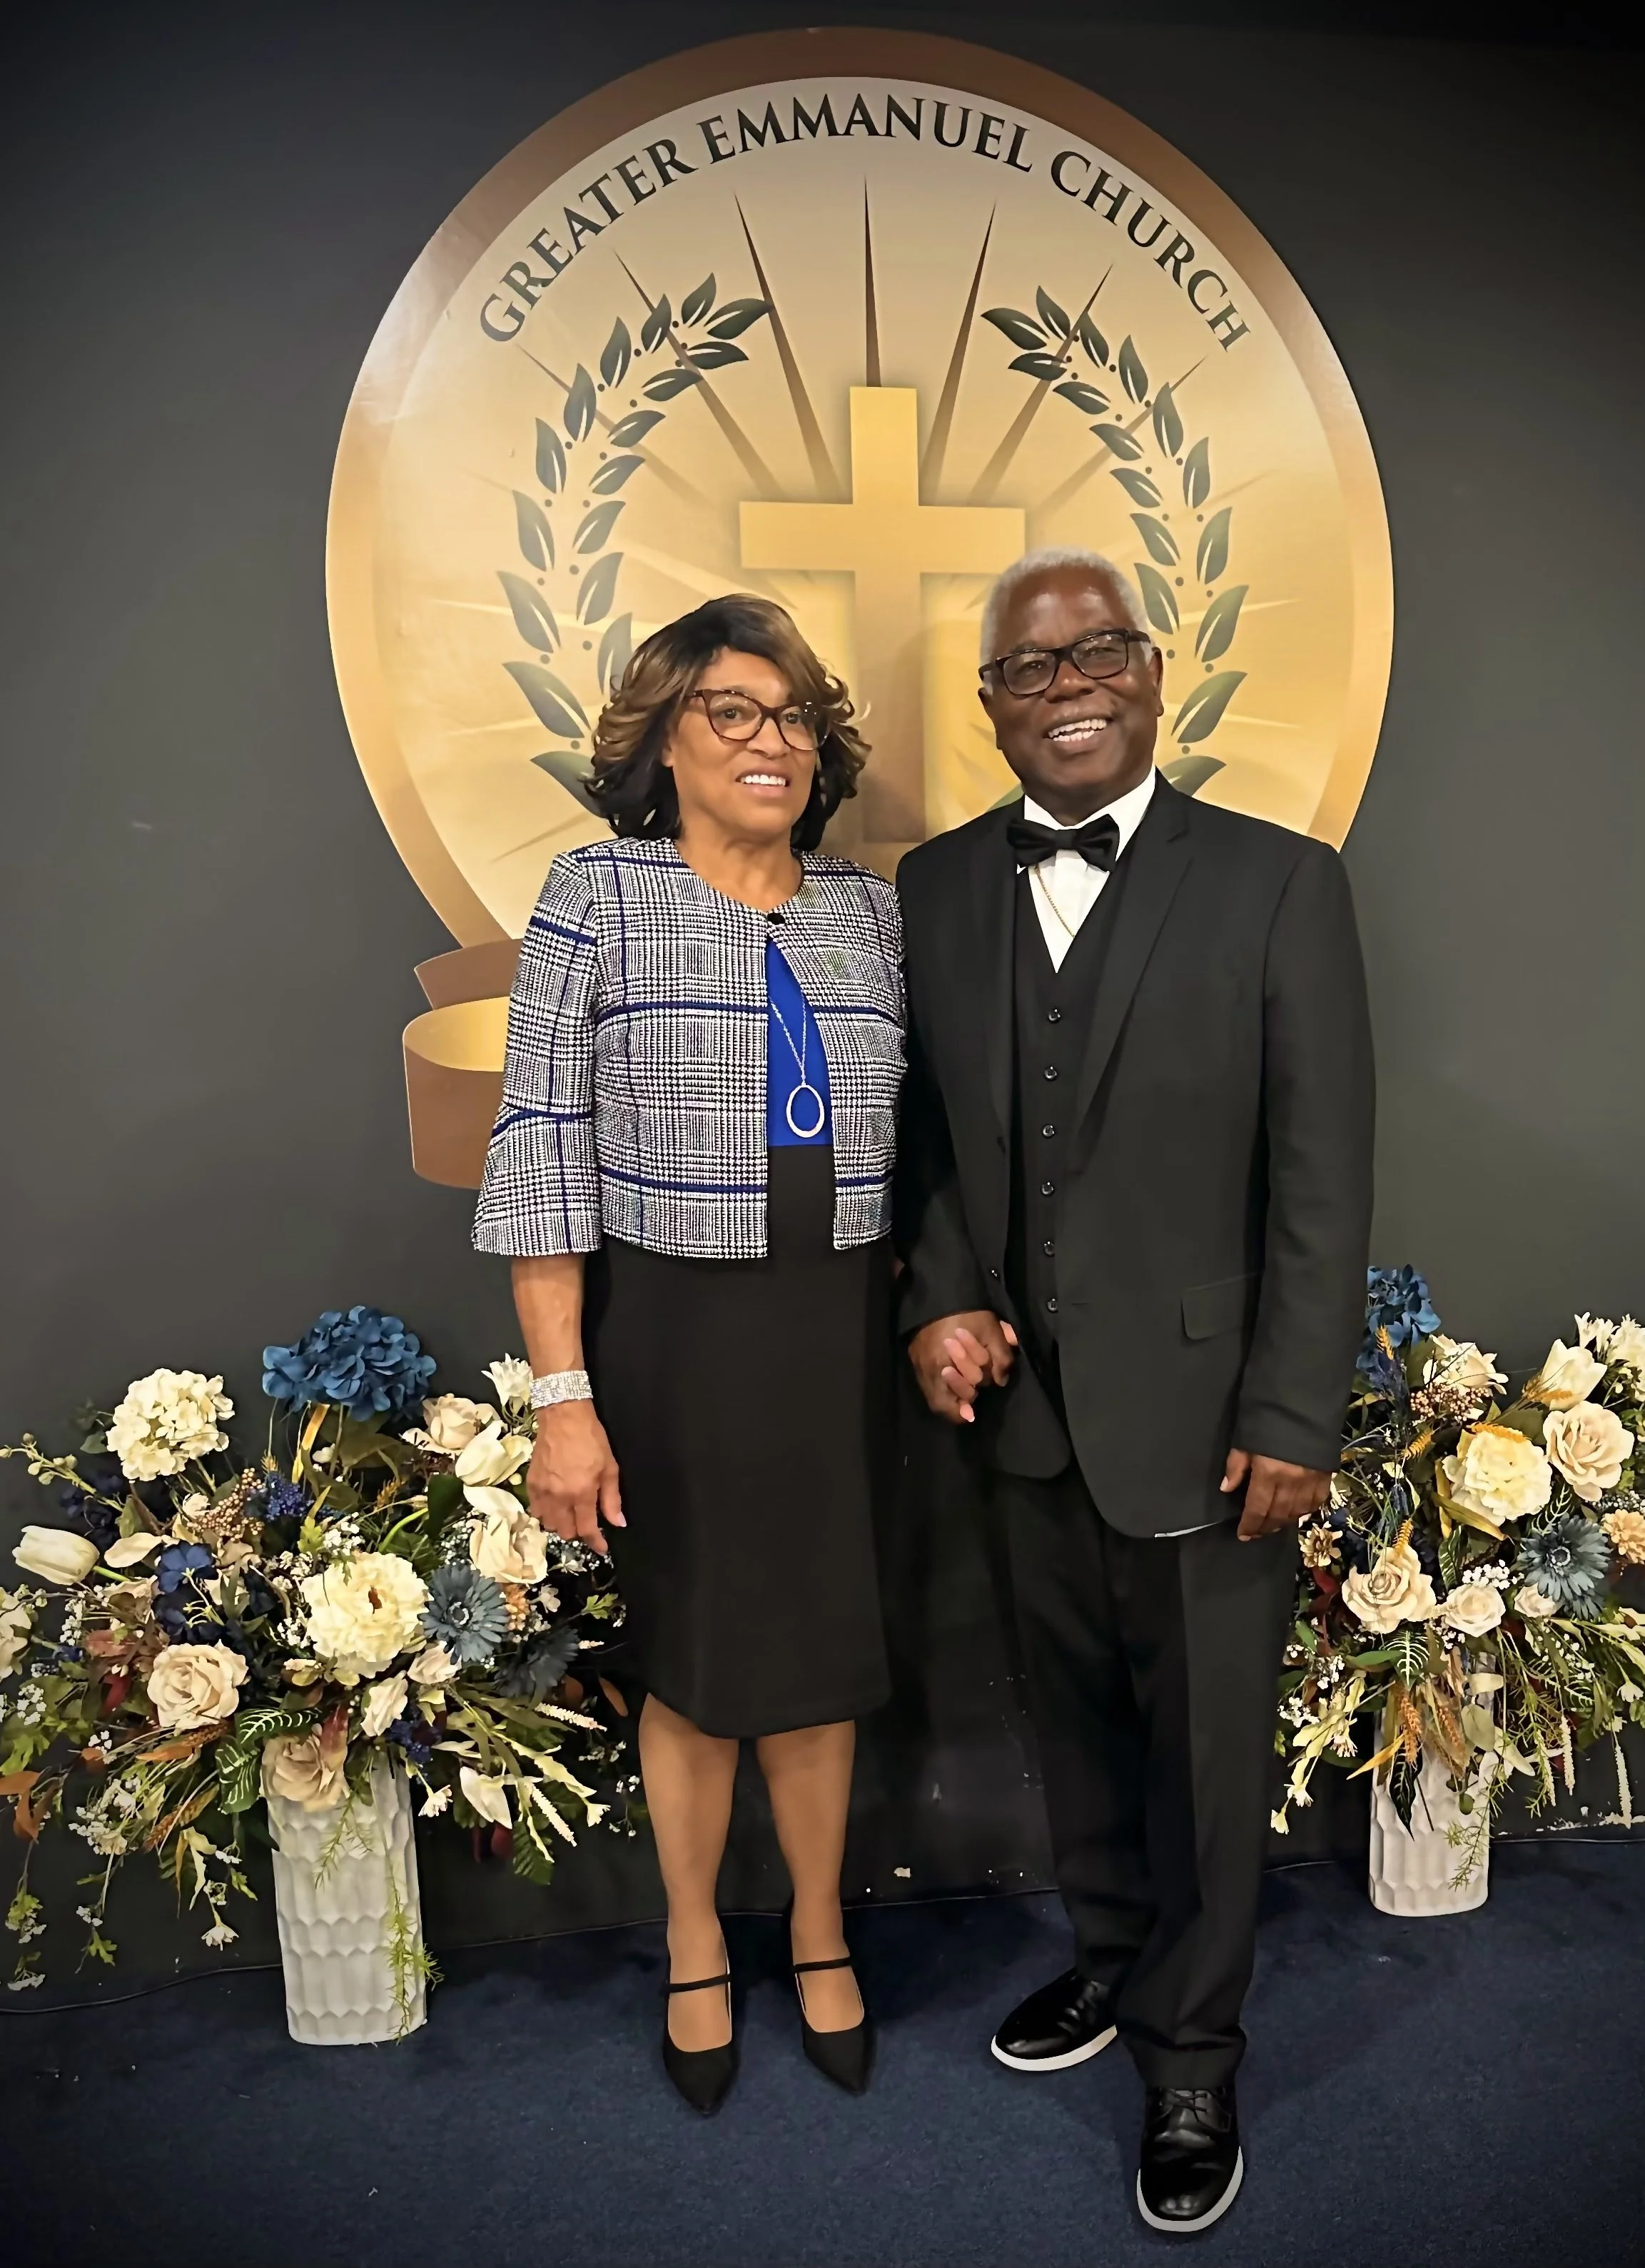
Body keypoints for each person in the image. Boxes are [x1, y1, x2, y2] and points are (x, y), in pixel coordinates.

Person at [896, 546, 1373, 2233]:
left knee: (1202, 1758)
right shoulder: (935, 888)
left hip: (1212, 1418)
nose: (1070, 685)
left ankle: (1191, 2053)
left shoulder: (1278, 885)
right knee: (1076, 1738)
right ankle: (1108, 1964)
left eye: (1098, 653)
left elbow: (1321, 1183)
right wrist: (939, 1302)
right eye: (1032, 668)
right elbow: (935, 1149)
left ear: (1156, 673)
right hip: (1023, 1418)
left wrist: (1296, 1415)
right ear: (992, 708)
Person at [474, 595, 906, 2116]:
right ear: (663, 734)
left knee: (819, 1654)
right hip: (673, 1335)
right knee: (703, 1661)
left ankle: (822, 1929)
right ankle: (691, 1939)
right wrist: (564, 1402)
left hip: (837, 1331)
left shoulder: (866, 910)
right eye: (732, 710)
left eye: (791, 714)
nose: (768, 739)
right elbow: (541, 1158)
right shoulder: (598, 894)